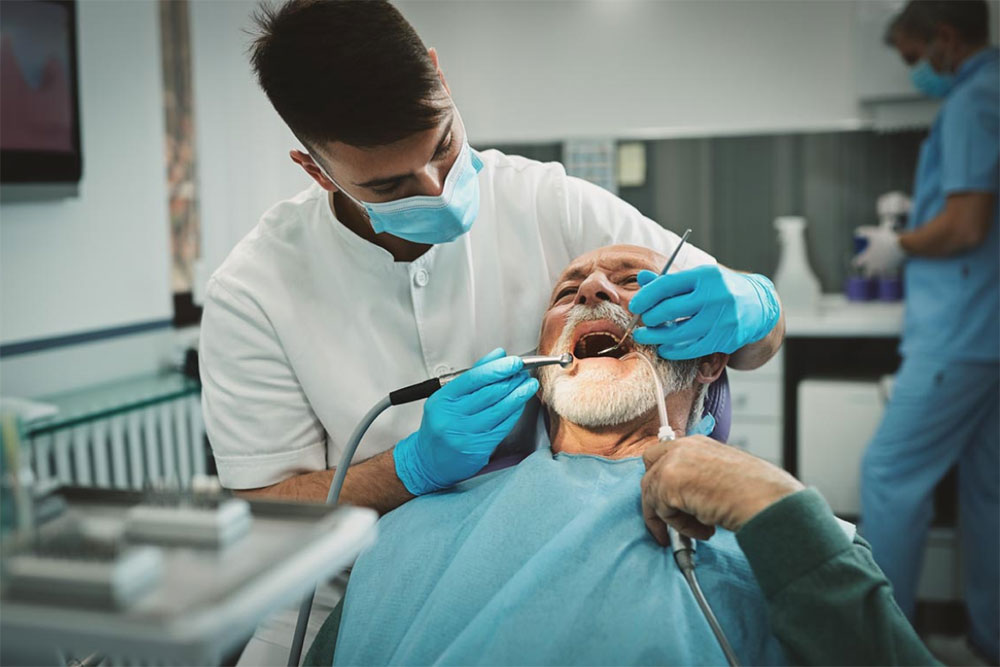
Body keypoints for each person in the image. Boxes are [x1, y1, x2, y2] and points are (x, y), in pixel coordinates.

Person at [199, 0, 784, 516]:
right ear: (315, 170)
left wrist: (754, 305)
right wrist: (410, 468)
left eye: (444, 145)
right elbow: (262, 507)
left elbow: (755, 337)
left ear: (441, 77)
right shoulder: (253, 290)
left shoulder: (548, 200)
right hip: (351, 590)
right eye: (391, 186)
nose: (436, 188)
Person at [326, 245, 935, 666]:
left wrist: (771, 503)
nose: (592, 289)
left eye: (635, 282)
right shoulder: (408, 531)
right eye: (569, 291)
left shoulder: (786, 536)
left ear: (708, 359)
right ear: (540, 368)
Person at [854, 2, 999, 662]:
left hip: (960, 336)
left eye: (914, 55)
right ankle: (986, 641)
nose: (915, 70)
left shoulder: (972, 102)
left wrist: (900, 244)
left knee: (888, 474)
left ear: (944, 39)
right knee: (988, 490)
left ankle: (885, 647)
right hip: (987, 334)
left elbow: (966, 225)